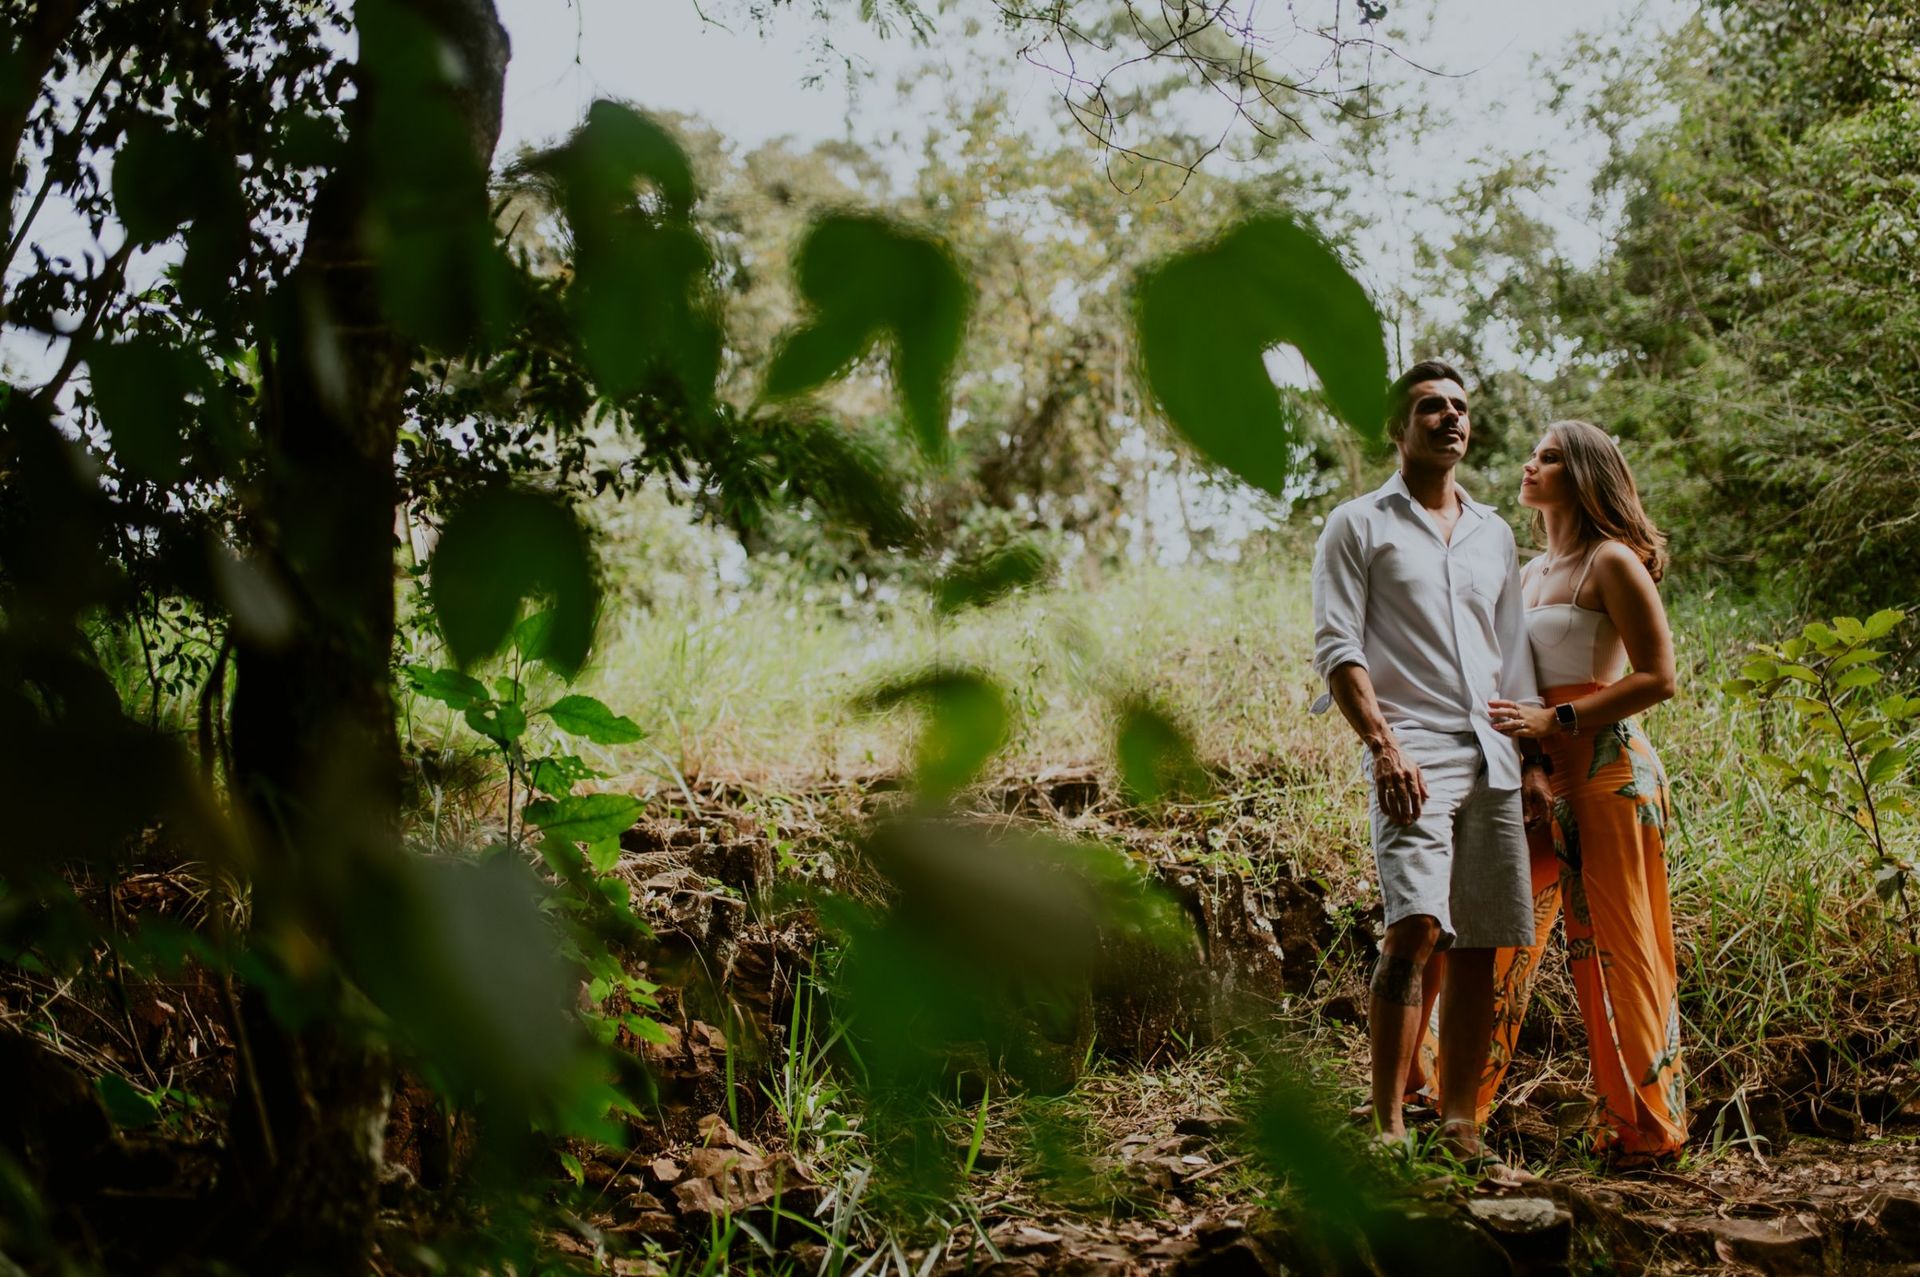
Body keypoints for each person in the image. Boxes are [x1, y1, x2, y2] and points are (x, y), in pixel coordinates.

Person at [1413, 418, 1686, 1166]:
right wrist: (1527, 749)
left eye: (1551, 457)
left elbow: (1659, 677)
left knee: (1615, 945)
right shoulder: (1527, 572)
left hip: (1608, 768)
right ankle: (1448, 1100)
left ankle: (1643, 1128)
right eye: (1533, 454)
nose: (1531, 464)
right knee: (1490, 930)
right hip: (1534, 775)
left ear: (1587, 473)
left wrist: (1557, 719)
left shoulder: (1612, 561)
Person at [1311, 360, 1553, 1177]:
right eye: (1430, 407)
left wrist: (1534, 763)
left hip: (1494, 751)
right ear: (1398, 427)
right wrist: (1384, 746)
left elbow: (1513, 656)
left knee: (1481, 940)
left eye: (1459, 407)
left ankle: (1458, 1123)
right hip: (1412, 747)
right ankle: (1386, 1121)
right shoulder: (1358, 524)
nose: (1451, 417)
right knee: (1414, 925)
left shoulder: (1494, 533)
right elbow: (1338, 646)